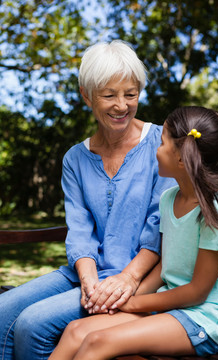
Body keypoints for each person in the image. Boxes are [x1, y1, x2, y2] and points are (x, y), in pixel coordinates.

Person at [0, 40, 176, 360]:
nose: (121, 105)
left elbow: (159, 225)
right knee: (2, 311)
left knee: (31, 325)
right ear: (87, 95)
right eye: (109, 95)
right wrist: (89, 281)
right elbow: (79, 228)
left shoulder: (163, 145)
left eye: (131, 94)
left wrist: (128, 277)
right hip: (85, 273)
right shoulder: (75, 159)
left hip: (139, 277)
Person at [48, 106, 218, 360]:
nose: (154, 150)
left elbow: (197, 292)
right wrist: (122, 297)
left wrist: (132, 303)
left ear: (182, 158)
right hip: (168, 305)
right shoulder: (169, 198)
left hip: (204, 317)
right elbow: (166, 268)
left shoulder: (216, 209)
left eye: (161, 144)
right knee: (74, 332)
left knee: (97, 342)